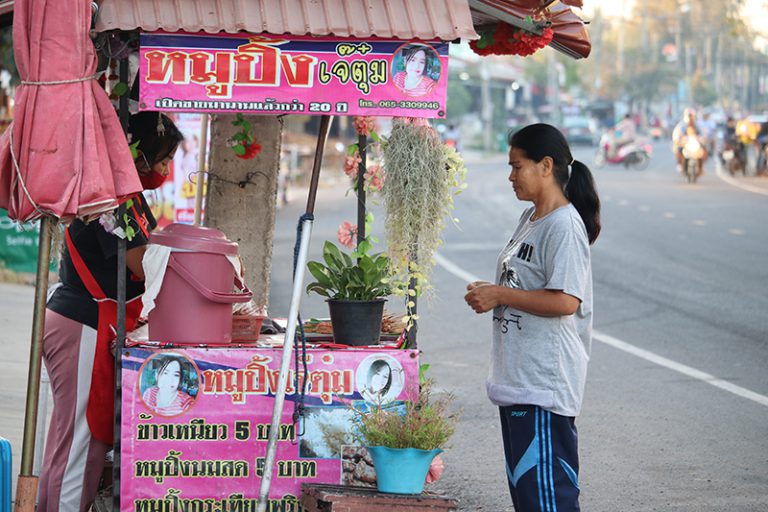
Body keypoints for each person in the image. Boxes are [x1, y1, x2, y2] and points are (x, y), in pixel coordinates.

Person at [38, 111, 183, 512]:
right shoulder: (113, 197)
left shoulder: (123, 193)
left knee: (72, 437)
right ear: (139, 155)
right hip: (82, 322)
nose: (166, 169)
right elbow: (141, 264)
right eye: (164, 159)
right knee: (81, 437)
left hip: (80, 321)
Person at [463, 123, 600, 512]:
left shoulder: (564, 226)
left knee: (547, 498)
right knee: (528, 495)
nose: (510, 176)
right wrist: (491, 292)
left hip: (543, 384)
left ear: (545, 165)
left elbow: (566, 301)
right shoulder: (531, 218)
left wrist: (501, 294)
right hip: (518, 379)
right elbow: (523, 281)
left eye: (516, 166)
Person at [672, 108, 707, 177]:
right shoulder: (681, 125)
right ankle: (680, 165)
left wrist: (703, 139)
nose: (690, 117)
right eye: (689, 116)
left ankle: (701, 168)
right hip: (685, 144)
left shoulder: (698, 125)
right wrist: (678, 140)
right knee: (678, 150)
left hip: (695, 144)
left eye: (691, 116)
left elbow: (703, 134)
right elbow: (676, 134)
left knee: (704, 150)